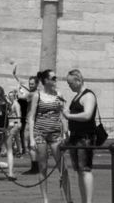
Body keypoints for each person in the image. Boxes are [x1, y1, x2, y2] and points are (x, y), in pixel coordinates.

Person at [27, 68, 66, 203]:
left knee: (62, 166)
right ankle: (45, 199)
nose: (56, 80)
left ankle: (68, 199)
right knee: (43, 167)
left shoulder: (58, 94)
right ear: (46, 81)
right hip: (40, 134)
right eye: (53, 78)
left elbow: (62, 115)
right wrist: (31, 139)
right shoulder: (37, 95)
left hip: (55, 134)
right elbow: (31, 117)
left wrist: (65, 132)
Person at [65, 69, 99, 203]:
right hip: (75, 137)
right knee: (79, 170)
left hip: (85, 137)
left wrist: (69, 115)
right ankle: (84, 200)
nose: (69, 86)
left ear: (78, 81)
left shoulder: (88, 95)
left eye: (70, 83)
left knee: (85, 169)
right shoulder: (77, 96)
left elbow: (87, 114)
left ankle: (88, 201)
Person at [0, 84, 18, 182]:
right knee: (9, 151)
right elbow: (10, 106)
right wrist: (5, 98)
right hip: (5, 130)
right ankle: (10, 173)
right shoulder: (7, 105)